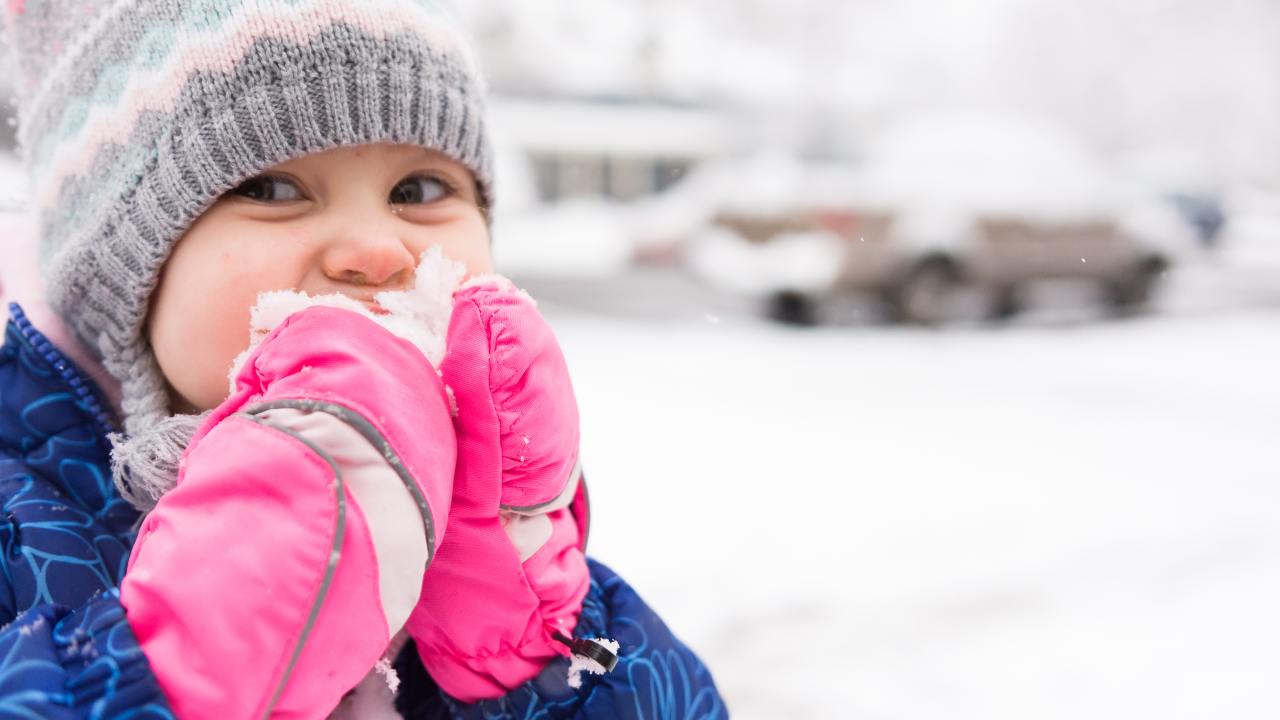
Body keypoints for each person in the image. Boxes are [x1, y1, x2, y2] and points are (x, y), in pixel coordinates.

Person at [0, 1, 725, 718]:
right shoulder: (19, 524)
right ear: (117, 274)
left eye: (418, 190)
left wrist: (525, 655)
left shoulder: (512, 529)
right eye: (274, 190)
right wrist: (197, 656)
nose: (378, 251)